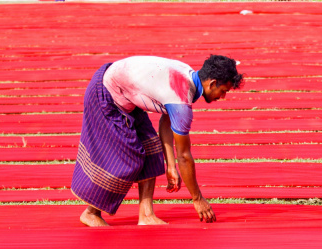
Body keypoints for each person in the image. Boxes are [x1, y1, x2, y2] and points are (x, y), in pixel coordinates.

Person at [72, 54, 243, 227]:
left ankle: (146, 215)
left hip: (126, 94)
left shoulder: (187, 77)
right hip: (106, 93)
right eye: (223, 91)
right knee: (126, 161)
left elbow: (166, 120)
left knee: (151, 150)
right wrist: (197, 198)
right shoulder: (181, 100)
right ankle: (91, 213)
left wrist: (170, 166)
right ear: (212, 83)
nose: (222, 96)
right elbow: (184, 155)